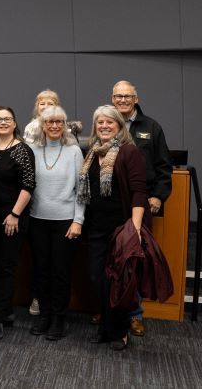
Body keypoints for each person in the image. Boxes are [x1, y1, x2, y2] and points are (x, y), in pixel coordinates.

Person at [80, 105, 149, 351]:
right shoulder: (91, 152)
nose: (105, 126)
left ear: (119, 125)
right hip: (96, 226)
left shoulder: (129, 152)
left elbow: (140, 192)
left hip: (122, 228)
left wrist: (135, 228)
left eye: (110, 122)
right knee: (97, 278)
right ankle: (105, 327)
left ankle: (119, 332)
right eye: (100, 123)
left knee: (119, 280)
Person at [111, 80, 173, 337]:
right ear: (112, 99)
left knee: (134, 258)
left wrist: (158, 196)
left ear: (136, 98)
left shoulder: (151, 127)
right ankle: (109, 308)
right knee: (110, 257)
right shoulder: (106, 123)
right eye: (118, 96)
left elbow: (163, 166)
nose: (123, 100)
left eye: (127, 96)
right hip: (112, 203)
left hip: (140, 203)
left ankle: (135, 314)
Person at [28, 105, 84, 341]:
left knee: (60, 272)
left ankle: (59, 318)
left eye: (58, 122)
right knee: (41, 271)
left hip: (65, 221)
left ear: (64, 125)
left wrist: (78, 220)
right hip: (36, 219)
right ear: (42, 125)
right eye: (49, 122)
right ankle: (45, 315)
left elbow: (82, 189)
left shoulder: (74, 151)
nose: (53, 126)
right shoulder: (32, 148)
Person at [0, 106, 36, 340]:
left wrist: (14, 214)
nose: (3, 122)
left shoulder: (22, 150)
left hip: (11, 218)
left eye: (8, 119)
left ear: (15, 124)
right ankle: (5, 309)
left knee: (6, 266)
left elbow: (28, 186)